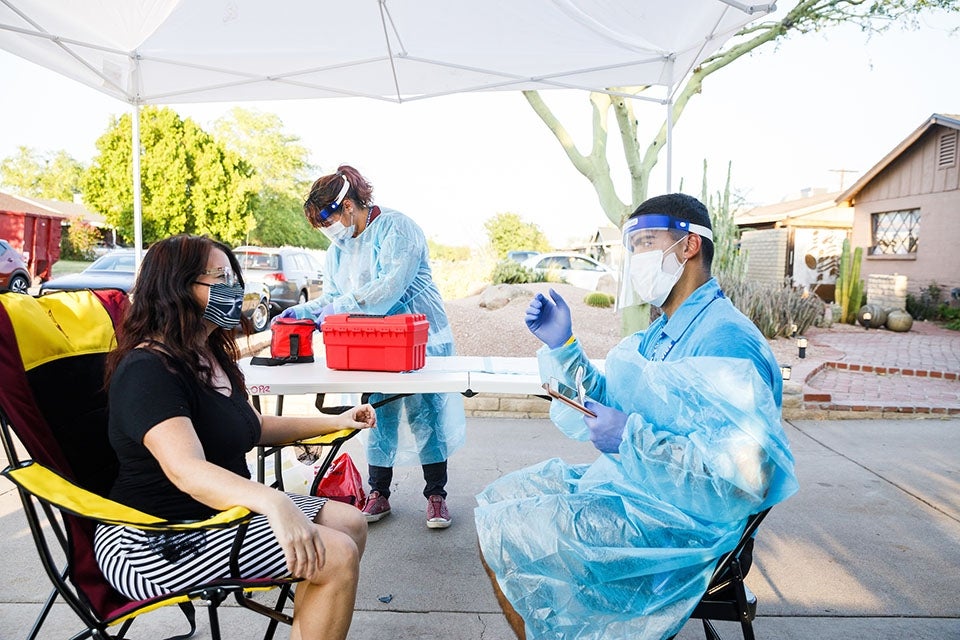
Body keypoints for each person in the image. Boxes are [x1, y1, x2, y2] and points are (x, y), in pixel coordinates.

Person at [475, 193, 798, 639]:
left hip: (689, 529)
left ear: (689, 246)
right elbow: (612, 401)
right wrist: (564, 348)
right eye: (633, 245)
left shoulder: (725, 340)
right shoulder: (663, 332)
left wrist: (631, 438)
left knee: (511, 531)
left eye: (647, 241)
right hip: (643, 491)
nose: (636, 257)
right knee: (497, 501)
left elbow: (744, 479)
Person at [94, 235, 376, 640]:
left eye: (233, 277)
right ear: (176, 285)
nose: (234, 288)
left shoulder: (207, 354)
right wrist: (273, 501)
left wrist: (337, 420)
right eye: (219, 277)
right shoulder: (148, 369)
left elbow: (252, 428)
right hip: (155, 536)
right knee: (336, 554)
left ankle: (312, 623)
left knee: (351, 523)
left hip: (217, 515)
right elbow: (187, 470)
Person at [280, 165, 465, 529]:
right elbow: (332, 298)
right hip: (370, 346)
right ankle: (379, 492)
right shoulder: (339, 250)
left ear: (347, 206)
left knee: (425, 414)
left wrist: (340, 307)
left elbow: (388, 288)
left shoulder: (398, 229)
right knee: (376, 413)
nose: (328, 232)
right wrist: (299, 311)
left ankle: (436, 496)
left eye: (327, 221)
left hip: (416, 340)